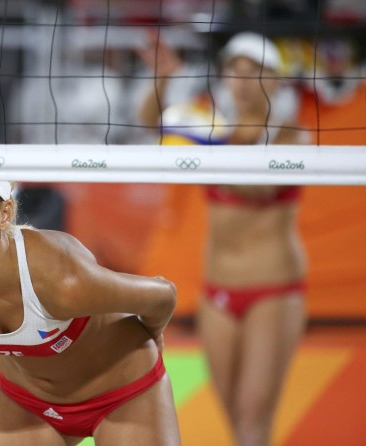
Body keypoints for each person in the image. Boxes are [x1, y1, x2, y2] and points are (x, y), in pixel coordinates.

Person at [0, 180, 181, 445]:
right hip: (27, 402)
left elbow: (163, 293)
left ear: (5, 213)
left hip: (123, 395)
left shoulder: (63, 280)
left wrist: (152, 336)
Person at [139, 31, 308, 446]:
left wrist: (205, 150)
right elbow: (149, 121)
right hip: (217, 290)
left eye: (256, 71)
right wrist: (163, 78)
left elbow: (256, 189)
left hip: (274, 287)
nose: (244, 80)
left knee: (253, 421)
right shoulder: (213, 124)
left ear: (276, 80)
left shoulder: (289, 133)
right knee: (235, 420)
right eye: (236, 69)